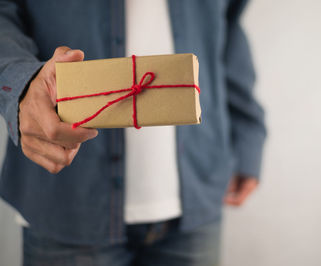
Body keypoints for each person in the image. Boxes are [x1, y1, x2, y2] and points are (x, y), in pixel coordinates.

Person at [0, 0, 266, 265]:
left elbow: (229, 28)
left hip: (199, 190)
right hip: (66, 202)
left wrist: (247, 138)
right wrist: (20, 84)